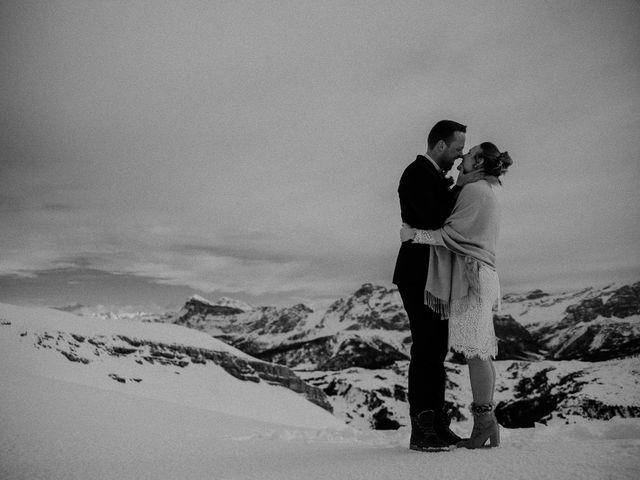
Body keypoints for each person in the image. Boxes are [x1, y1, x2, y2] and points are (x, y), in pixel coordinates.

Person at [400, 142, 513, 449]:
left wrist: (413, 235)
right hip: (477, 274)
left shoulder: (475, 192)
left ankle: (485, 423)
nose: (462, 156)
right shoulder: (485, 190)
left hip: (471, 276)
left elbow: (452, 233)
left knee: (476, 351)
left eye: (469, 152)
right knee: (479, 350)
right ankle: (486, 423)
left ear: (478, 163)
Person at [392, 120, 483, 452]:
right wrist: (460, 185)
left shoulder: (431, 177)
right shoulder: (416, 174)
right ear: (440, 145)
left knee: (436, 349)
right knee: (426, 348)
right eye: (458, 148)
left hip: (432, 274)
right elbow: (436, 219)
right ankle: (422, 428)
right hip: (418, 274)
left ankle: (437, 424)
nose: (460, 156)